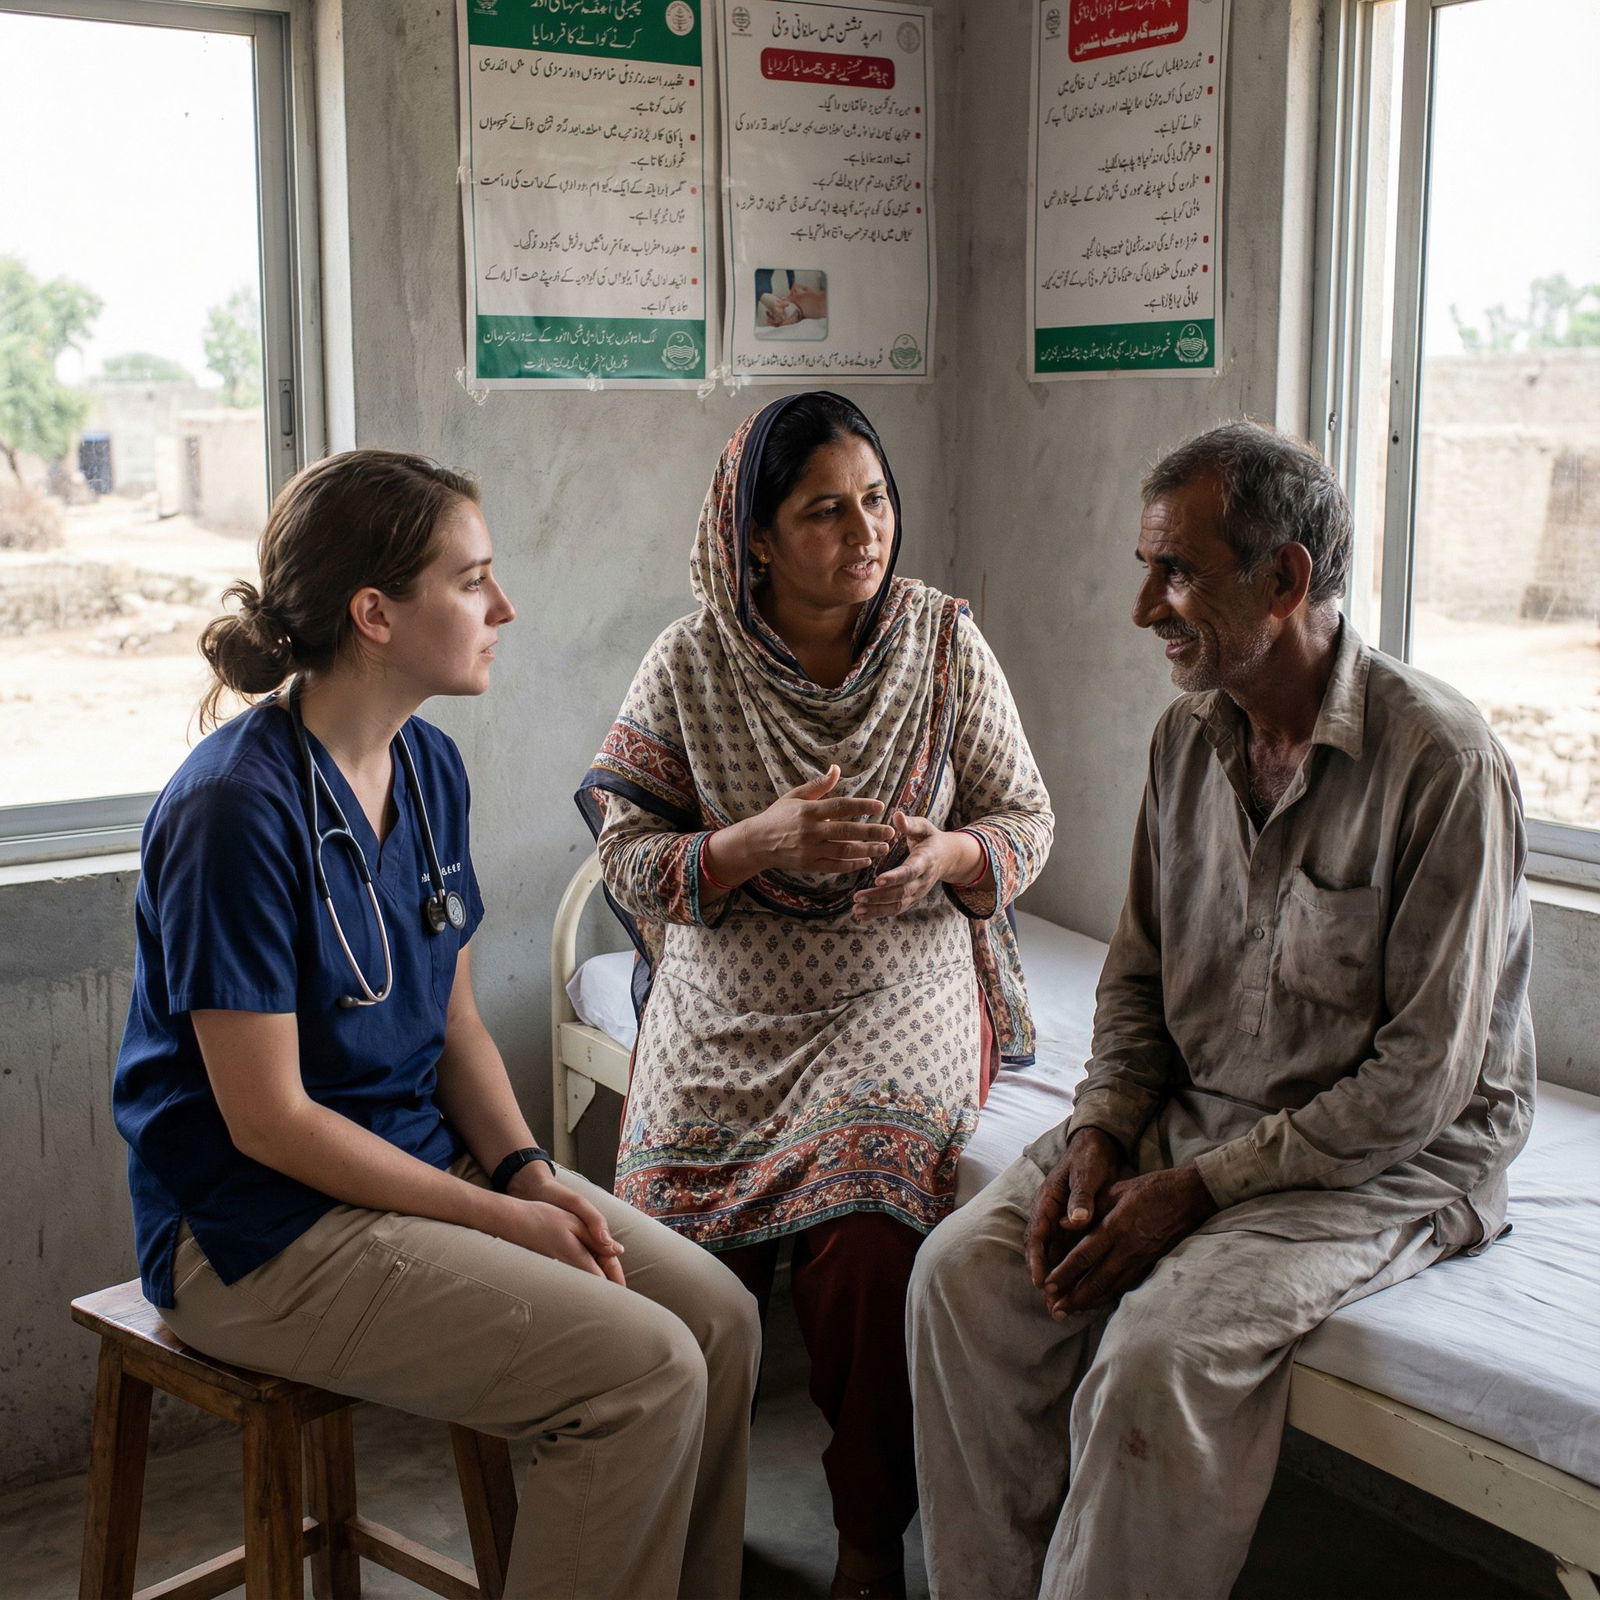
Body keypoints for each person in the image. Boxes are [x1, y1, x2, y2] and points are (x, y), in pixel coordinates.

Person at [112, 449, 759, 1600]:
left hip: (414, 1162)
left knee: (716, 1318)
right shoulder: (232, 812)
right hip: (257, 1230)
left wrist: (524, 1170)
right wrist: (497, 1219)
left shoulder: (429, 767)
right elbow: (267, 1122)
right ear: (375, 613)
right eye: (473, 581)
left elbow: (453, 1014)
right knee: (641, 1370)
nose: (503, 607)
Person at [907, 420, 1536, 1600]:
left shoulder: (1440, 764)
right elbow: (1136, 984)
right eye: (1148, 568)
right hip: (1191, 1111)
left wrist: (1190, 1193)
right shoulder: (1186, 741)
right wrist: (1098, 1137)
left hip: (1387, 1160)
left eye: (1178, 570)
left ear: (1286, 577)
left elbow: (1417, 1084)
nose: (1145, 605)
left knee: (1154, 1360)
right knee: (958, 1278)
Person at [578, 392, 1054, 1598]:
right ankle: (681, 1519)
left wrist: (944, 859)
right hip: (727, 998)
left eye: (878, 499)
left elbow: (1025, 819)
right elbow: (628, 857)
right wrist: (754, 842)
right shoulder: (689, 662)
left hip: (899, 984)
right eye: (825, 510)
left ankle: (863, 1541)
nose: (866, 531)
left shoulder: (945, 642)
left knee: (862, 1247)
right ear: (755, 535)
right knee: (672, 1266)